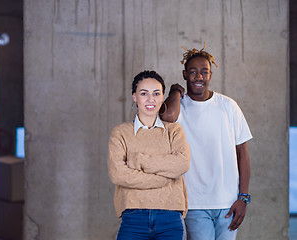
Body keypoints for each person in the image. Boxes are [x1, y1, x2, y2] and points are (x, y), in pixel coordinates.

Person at [160, 43, 253, 240]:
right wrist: (175, 91)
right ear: (184, 74)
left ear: (211, 75)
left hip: (228, 203)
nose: (199, 76)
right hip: (194, 203)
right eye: (193, 72)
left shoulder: (228, 106)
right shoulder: (178, 107)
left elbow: (242, 153)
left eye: (204, 71)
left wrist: (243, 197)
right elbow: (167, 116)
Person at [107, 70, 190, 240]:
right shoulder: (120, 133)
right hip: (133, 218)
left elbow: (182, 164)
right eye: (144, 93)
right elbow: (118, 174)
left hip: (171, 217)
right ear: (134, 97)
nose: (150, 99)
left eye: (156, 94)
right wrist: (164, 177)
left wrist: (139, 160)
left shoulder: (174, 131)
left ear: (162, 98)